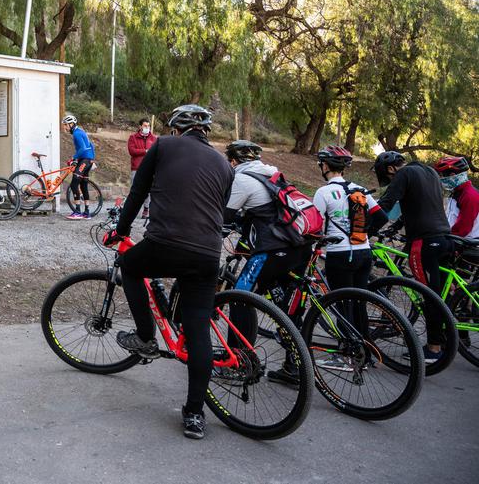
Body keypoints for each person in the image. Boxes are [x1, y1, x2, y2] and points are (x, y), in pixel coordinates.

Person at [104, 104, 234, 439]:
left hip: (167, 242)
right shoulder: (223, 162)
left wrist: (121, 230)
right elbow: (220, 207)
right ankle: (194, 414)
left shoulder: (162, 145)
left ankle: (146, 338)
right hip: (207, 254)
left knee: (130, 266)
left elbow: (137, 192)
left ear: (176, 128)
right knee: (198, 330)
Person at [222, 140, 317, 379]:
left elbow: (223, 220)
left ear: (233, 161)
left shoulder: (242, 180)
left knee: (240, 296)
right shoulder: (273, 176)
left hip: (274, 249)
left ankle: (239, 363)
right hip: (300, 246)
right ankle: (294, 367)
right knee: (287, 305)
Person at [373, 151, 450, 363]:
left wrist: (365, 229)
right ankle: (449, 339)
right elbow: (416, 206)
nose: (391, 180)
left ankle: (434, 348)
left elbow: (386, 204)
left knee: (429, 296)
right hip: (444, 238)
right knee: (441, 293)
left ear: (390, 169)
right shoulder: (429, 172)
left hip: (424, 243)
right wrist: (396, 227)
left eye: (388, 178)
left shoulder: (403, 174)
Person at [312, 146, 387, 293]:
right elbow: (381, 217)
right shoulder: (359, 189)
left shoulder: (323, 193)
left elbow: (314, 226)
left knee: (344, 305)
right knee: (360, 304)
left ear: (325, 166)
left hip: (339, 254)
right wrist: (364, 234)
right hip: (364, 252)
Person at [434, 156, 479, 238]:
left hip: (467, 245)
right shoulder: (456, 192)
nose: (441, 179)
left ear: (452, 175)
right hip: (455, 240)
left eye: (442, 175)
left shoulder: (469, 195)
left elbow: (463, 229)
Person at [62, 114, 96, 219]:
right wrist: (91, 158)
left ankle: (77, 211)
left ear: (72, 124)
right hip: (87, 160)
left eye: (66, 125)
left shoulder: (77, 133)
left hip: (85, 160)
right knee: (83, 185)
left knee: (74, 183)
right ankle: (87, 212)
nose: (65, 127)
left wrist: (73, 158)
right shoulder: (80, 132)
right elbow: (91, 145)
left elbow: (83, 148)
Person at [127, 117, 157, 221]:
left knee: (148, 190)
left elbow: (156, 152)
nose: (147, 127)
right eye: (145, 125)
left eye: (148, 126)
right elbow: (132, 151)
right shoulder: (133, 137)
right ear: (140, 126)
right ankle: (131, 211)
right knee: (134, 189)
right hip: (136, 167)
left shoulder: (154, 138)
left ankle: (146, 209)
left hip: (150, 168)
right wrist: (145, 151)